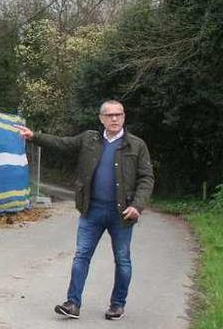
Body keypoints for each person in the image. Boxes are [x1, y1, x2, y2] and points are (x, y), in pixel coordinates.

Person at [16, 100, 154, 321]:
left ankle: (117, 305)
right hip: (92, 210)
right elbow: (62, 144)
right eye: (109, 115)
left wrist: (137, 205)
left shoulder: (136, 145)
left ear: (124, 117)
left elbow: (147, 178)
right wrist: (34, 136)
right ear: (101, 119)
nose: (114, 119)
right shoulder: (89, 139)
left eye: (118, 114)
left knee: (123, 260)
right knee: (81, 256)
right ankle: (72, 304)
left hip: (122, 213)